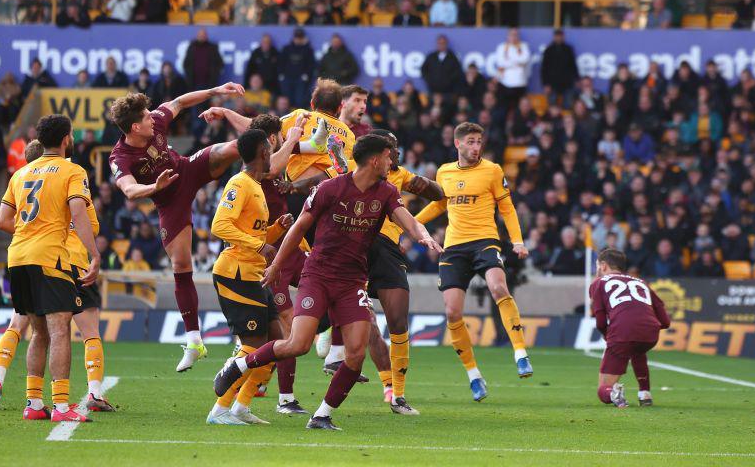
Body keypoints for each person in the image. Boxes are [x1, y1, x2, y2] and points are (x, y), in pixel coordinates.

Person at [213, 134, 441, 431]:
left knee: (356, 354)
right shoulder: (330, 188)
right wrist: (278, 265)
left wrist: (422, 236)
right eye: (388, 156)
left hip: (352, 281)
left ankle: (321, 415)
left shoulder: (385, 192)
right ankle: (239, 365)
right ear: (375, 160)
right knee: (298, 344)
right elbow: (298, 229)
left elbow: (407, 219)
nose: (392, 161)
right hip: (318, 276)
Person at [109, 84, 246, 372]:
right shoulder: (119, 157)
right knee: (181, 265)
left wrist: (218, 90)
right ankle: (195, 341)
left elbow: (181, 101)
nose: (153, 117)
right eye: (146, 117)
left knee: (238, 146)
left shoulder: (155, 121)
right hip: (170, 202)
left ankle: (296, 152)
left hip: (188, 169)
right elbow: (130, 191)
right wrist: (154, 187)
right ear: (135, 127)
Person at [0, 140, 113, 413]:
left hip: (27, 257)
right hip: (68, 263)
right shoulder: (70, 176)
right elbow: (91, 224)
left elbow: (3, 220)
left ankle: (0, 382)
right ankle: (92, 392)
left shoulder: (21, 178)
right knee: (82, 332)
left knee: (22, 328)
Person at [415, 122, 532, 402]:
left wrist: (517, 240)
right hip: (454, 247)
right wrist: (411, 223)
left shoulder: (492, 170)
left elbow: (507, 207)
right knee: (453, 312)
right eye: (470, 141)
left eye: (479, 141)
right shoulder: (444, 171)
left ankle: (520, 353)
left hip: (485, 240)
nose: (476, 147)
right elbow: (440, 204)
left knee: (498, 288)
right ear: (458, 144)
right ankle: (474, 376)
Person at [205, 129, 294, 425]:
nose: (273, 150)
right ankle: (219, 410)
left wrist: (276, 230)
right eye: (270, 146)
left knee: (277, 342)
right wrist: (259, 244)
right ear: (263, 151)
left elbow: (253, 233)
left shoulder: (255, 185)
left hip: (254, 274)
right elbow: (219, 225)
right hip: (235, 274)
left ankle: (241, 407)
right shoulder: (239, 183)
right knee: (255, 345)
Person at [589, 248, 670, 408]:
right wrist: (646, 328)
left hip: (622, 333)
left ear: (603, 266)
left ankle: (614, 394)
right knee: (637, 350)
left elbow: (599, 322)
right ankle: (644, 393)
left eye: (597, 265)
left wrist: (609, 337)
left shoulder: (598, 283)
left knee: (602, 391)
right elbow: (665, 321)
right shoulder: (640, 282)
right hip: (650, 333)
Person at [540, 29, 579, 105]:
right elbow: (544, 69)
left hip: (567, 83)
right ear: (554, 37)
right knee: (552, 107)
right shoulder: (548, 50)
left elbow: (573, 65)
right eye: (557, 36)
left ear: (563, 37)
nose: (559, 38)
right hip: (552, 84)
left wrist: (577, 79)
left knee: (568, 106)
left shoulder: (568, 49)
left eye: (560, 36)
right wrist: (545, 84)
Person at [280, 28, 317, 108]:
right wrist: (282, 74)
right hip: (287, 78)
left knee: (299, 100)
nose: (298, 40)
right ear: (293, 38)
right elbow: (281, 62)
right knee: (287, 99)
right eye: (297, 37)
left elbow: (311, 65)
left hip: (301, 79)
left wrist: (306, 75)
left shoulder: (308, 50)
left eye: (300, 38)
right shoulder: (286, 49)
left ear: (303, 38)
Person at [495, 28, 530, 111]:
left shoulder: (523, 46)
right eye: (512, 34)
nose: (514, 37)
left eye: (516, 35)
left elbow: (525, 59)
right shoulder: (502, 47)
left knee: (519, 110)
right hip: (505, 83)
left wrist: (509, 60)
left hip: (520, 83)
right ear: (508, 36)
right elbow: (501, 63)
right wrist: (517, 63)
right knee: (504, 109)